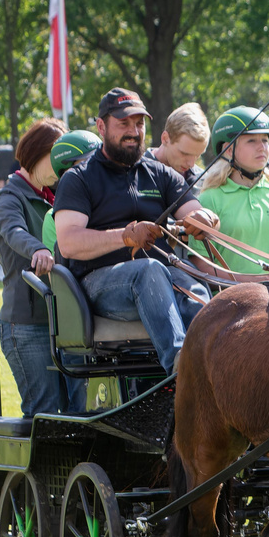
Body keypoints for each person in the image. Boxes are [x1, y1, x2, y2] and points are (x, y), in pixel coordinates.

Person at [52, 87, 217, 374]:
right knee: (148, 270)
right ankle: (183, 368)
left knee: (196, 292)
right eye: (124, 123)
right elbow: (68, 243)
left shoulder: (162, 175)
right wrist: (125, 236)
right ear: (101, 126)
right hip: (99, 285)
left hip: (163, 277)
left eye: (139, 124)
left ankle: (221, 365)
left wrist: (205, 219)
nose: (134, 131)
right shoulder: (78, 179)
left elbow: (196, 213)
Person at [0, 118, 76, 416]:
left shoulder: (59, 196)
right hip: (27, 325)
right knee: (45, 410)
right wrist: (38, 248)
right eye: (53, 156)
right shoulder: (9, 197)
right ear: (35, 153)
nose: (59, 165)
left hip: (63, 322)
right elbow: (14, 232)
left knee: (71, 411)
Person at [189, 106, 269, 280]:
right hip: (231, 302)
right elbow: (200, 266)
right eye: (251, 141)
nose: (262, 147)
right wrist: (255, 282)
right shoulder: (209, 199)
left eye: (265, 140)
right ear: (229, 149)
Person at [149, 102, 210, 176]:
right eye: (185, 154)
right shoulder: (135, 174)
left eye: (197, 156)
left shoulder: (201, 181)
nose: (191, 164)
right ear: (165, 139)